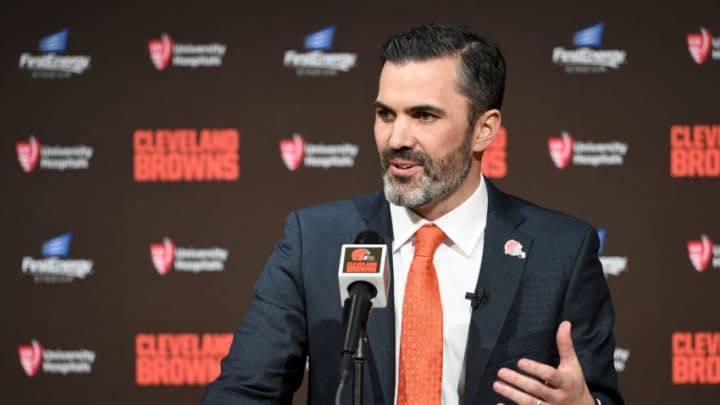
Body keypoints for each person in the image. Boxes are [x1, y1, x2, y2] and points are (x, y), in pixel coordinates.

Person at [202, 23, 623, 405]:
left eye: (424, 116)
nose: (397, 138)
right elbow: (244, 391)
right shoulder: (314, 240)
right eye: (385, 114)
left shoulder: (562, 251)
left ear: (485, 129)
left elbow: (599, 395)